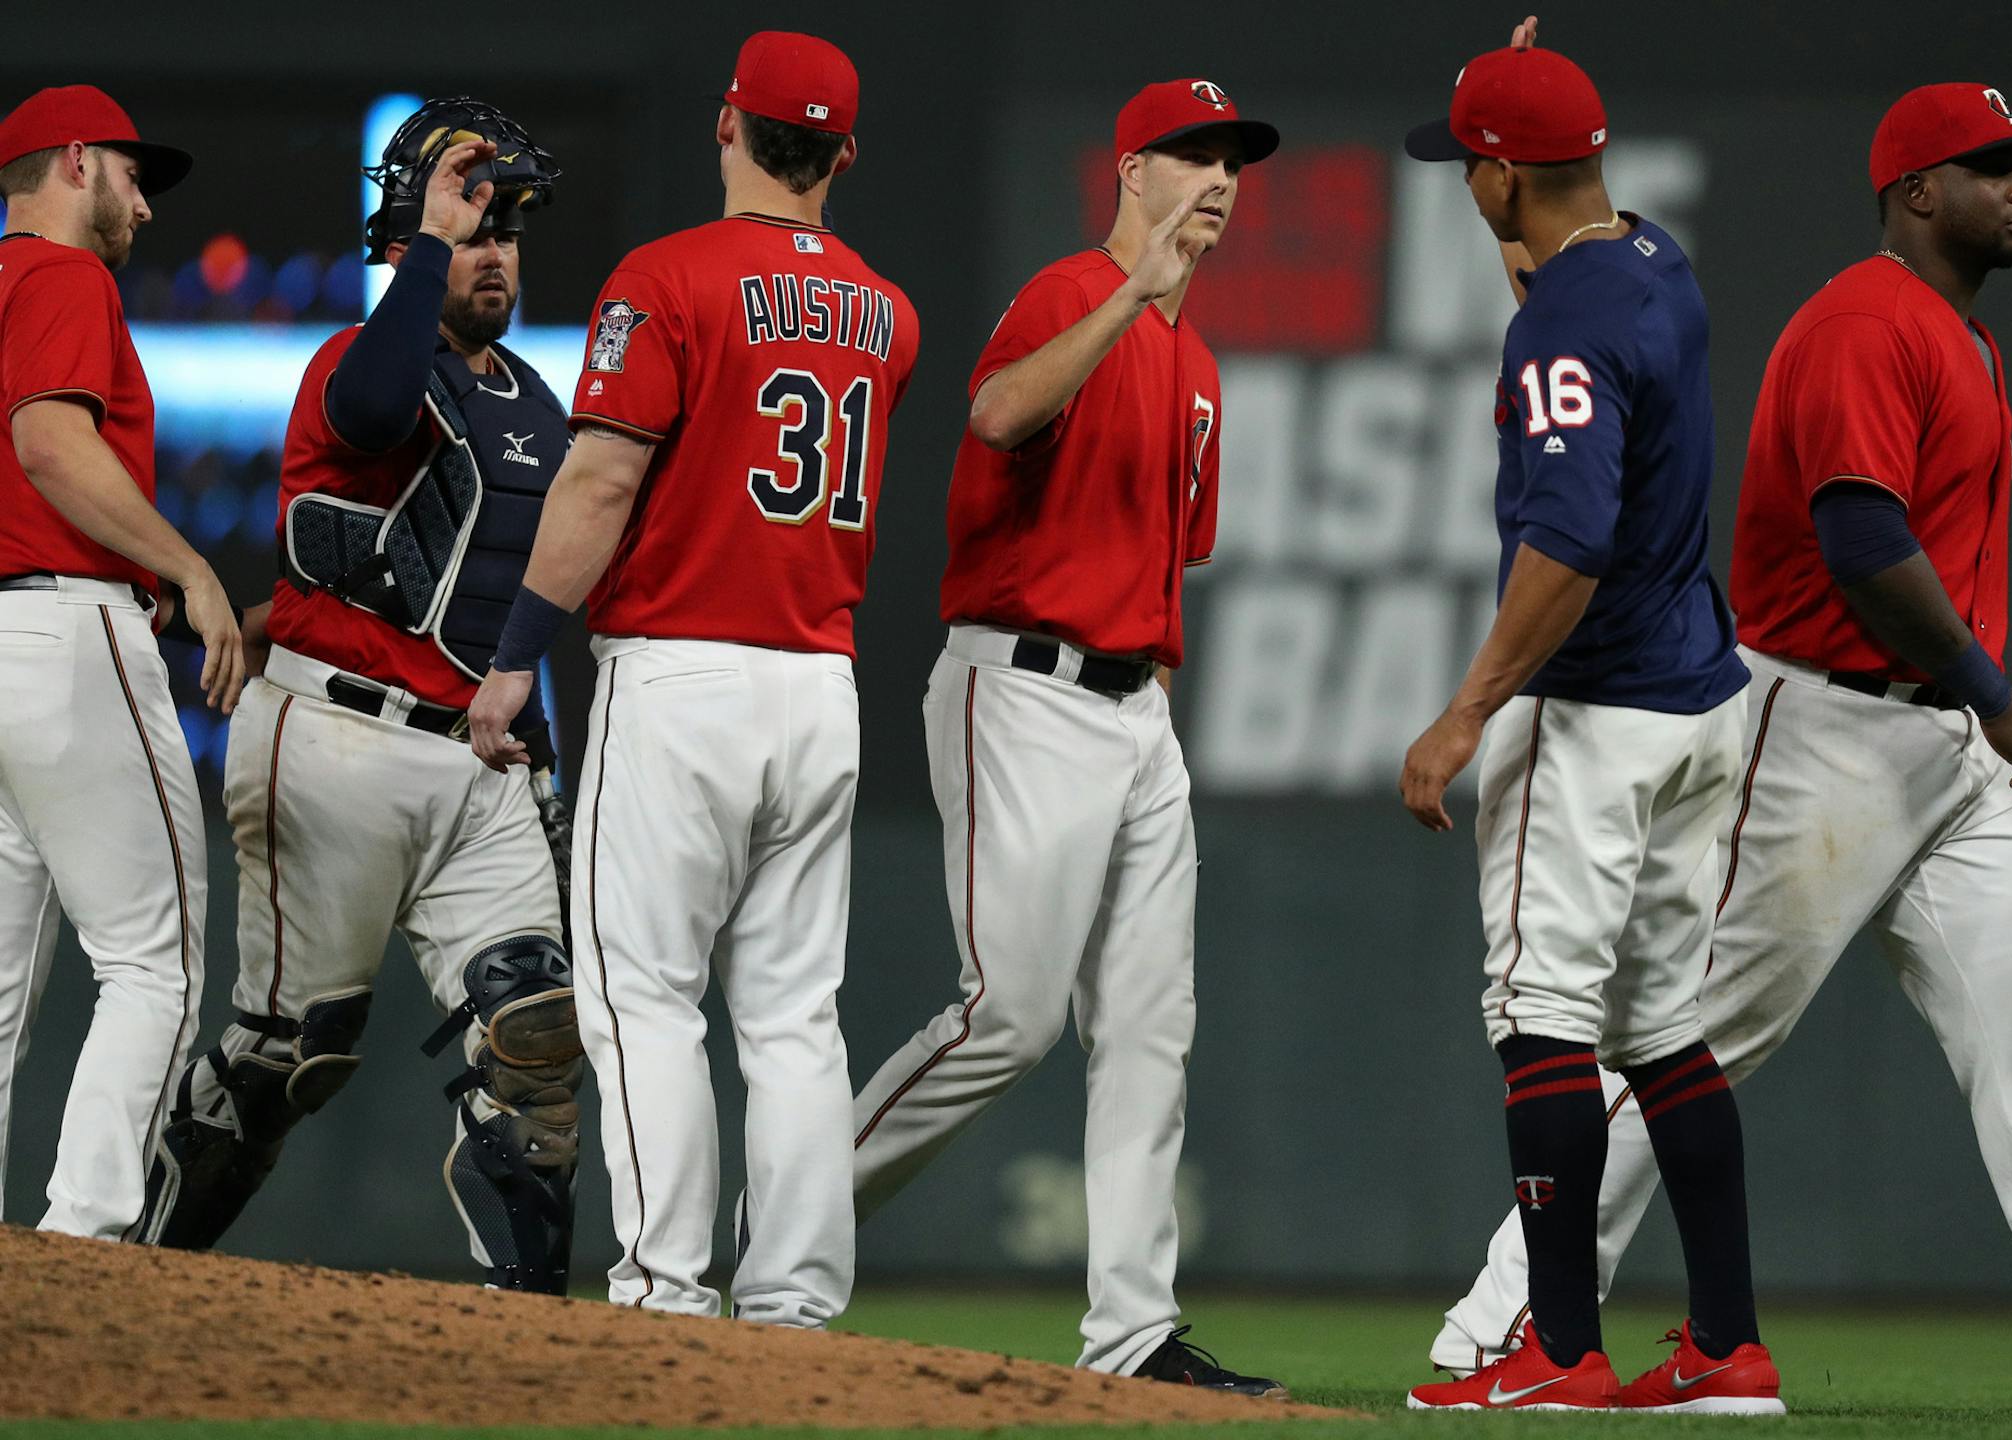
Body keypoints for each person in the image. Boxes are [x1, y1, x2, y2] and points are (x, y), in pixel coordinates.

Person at [1426, 79, 2012, 1420]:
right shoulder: (1863, 323)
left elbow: (1569, 254)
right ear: (1912, 191)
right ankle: (1509, 1316)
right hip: (1824, 724)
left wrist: (1975, 712)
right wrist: (1995, 692)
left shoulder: (1953, 332)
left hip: (1948, 754)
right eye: (1991, 166)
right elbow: (1862, 541)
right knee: (1685, 1034)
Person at [468, 30, 918, 1328]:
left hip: (682, 679)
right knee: (791, 1018)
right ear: (841, 152)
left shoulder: (664, 280)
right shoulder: (888, 311)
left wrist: (511, 659)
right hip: (819, 688)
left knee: (642, 1000)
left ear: (729, 125)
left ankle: (667, 1293)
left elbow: (602, 480)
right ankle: (793, 1303)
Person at [845, 78, 1285, 1396]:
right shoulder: (1061, 296)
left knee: (1150, 1025)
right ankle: (790, 1226)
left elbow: (1181, 547)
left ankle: (1135, 1332)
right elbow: (993, 416)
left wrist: (1153, 318)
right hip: (1022, 688)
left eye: (1233, 161)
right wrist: (1122, 298)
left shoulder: (1197, 364)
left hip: (1138, 706)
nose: (1218, 177)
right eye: (1193, 155)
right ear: (1130, 170)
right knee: (1011, 1016)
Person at [1395, 32, 1782, 1414]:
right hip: (1703, 703)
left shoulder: (1562, 318)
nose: (1464, 187)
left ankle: (1559, 1349)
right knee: (1666, 1030)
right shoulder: (1653, 264)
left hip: (1597, 707)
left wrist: (1462, 714)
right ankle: (1729, 1348)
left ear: (1504, 177)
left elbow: (1566, 537)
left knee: (1541, 1015)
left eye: (1472, 167)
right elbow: (1578, 291)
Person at [141, 99, 585, 1294]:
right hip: (333, 733)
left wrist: (542, 765)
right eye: (474, 221)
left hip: (479, 766)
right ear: (413, 227)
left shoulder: (538, 402)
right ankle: (136, 1272)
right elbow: (379, 415)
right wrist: (426, 244)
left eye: (509, 227)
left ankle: (539, 1339)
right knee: (295, 1056)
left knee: (537, 1041)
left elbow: (511, 612)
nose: (495, 248)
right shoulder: (359, 357)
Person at [0, 84, 239, 1238]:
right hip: (61, 630)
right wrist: (187, 568)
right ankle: (82, 1254)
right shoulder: (60, 275)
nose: (145, 205)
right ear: (78, 162)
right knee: (158, 966)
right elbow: (49, 440)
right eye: (133, 176)